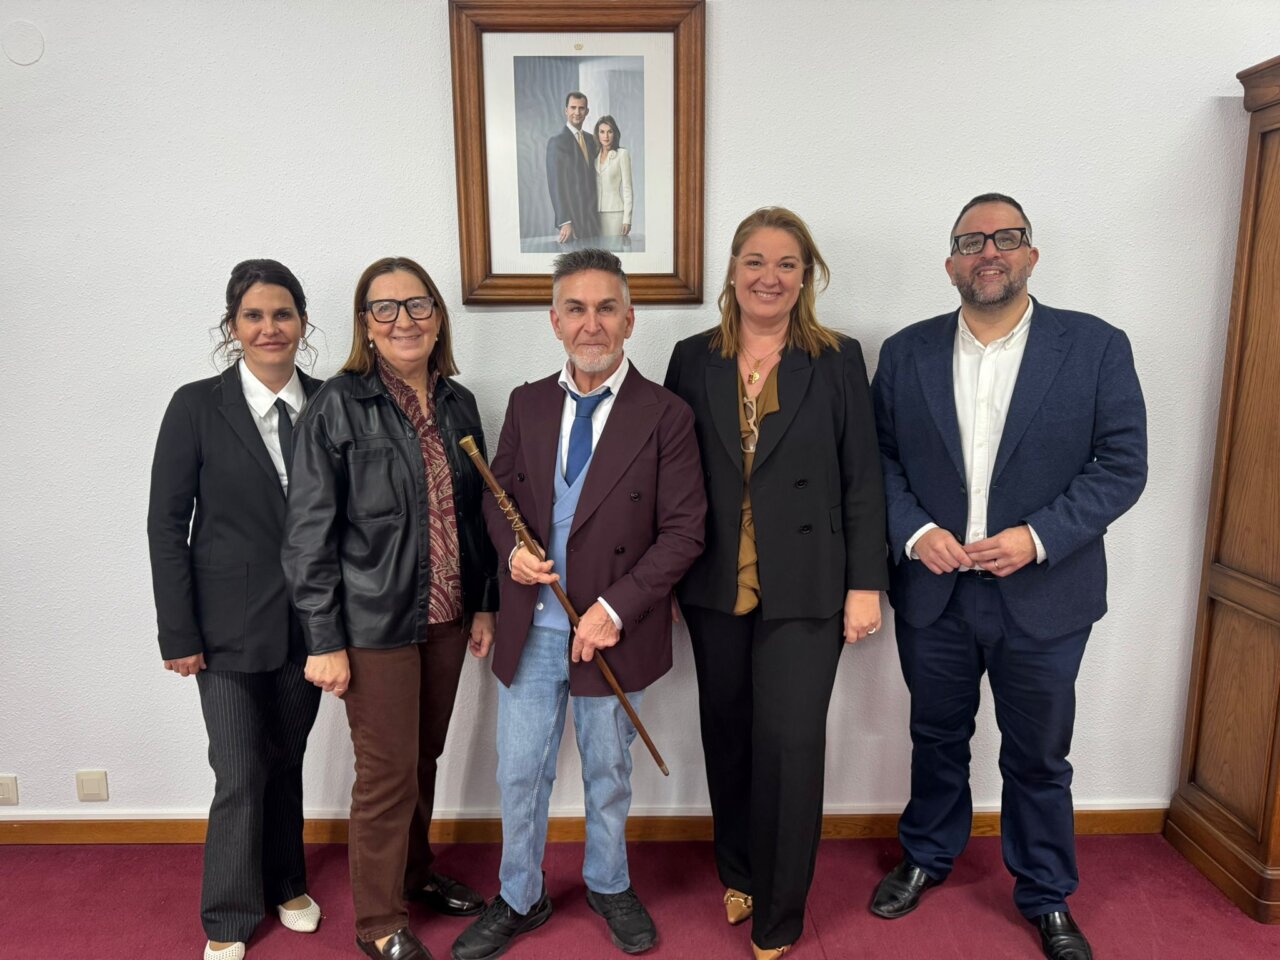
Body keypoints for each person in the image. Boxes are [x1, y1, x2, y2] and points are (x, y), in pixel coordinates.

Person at [870, 194, 1147, 960]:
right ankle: (927, 853)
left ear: (1031, 254)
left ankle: (1047, 894)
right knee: (935, 736)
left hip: (1047, 597)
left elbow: (1123, 467)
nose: (988, 251)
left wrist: (1039, 536)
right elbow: (878, 462)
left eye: (1006, 238)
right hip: (938, 593)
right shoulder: (905, 353)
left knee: (1037, 755)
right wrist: (918, 533)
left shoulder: (1095, 347)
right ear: (951, 262)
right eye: (970, 241)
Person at [451, 249, 706, 960]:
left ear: (629, 318)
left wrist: (615, 610)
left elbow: (686, 530)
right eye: (576, 309)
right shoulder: (528, 403)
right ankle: (519, 896)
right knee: (519, 770)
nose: (590, 324)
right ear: (555, 319)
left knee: (608, 769)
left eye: (605, 309)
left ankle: (609, 882)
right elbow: (496, 498)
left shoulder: (667, 415)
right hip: (533, 629)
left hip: (613, 631)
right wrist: (512, 553)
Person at [663, 207, 888, 960]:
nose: (770, 276)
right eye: (755, 261)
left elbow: (863, 478)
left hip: (810, 586)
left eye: (787, 264)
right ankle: (739, 871)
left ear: (807, 276)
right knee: (727, 733)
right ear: (731, 271)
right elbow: (669, 476)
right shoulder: (691, 358)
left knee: (790, 743)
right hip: (714, 585)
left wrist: (866, 584)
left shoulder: (838, 358)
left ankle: (780, 915)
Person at [282, 257, 499, 960]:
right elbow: (308, 534)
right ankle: (378, 922)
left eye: (417, 305)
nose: (404, 321)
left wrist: (486, 604)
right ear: (365, 326)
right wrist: (323, 638)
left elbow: (479, 517)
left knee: (423, 757)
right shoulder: (337, 406)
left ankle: (415, 874)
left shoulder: (459, 403)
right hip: (372, 625)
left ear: (437, 317)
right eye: (386, 309)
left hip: (445, 615)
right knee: (384, 771)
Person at [147, 259, 324, 960]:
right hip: (222, 627)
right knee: (240, 766)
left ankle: (287, 882)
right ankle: (227, 911)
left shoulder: (330, 401)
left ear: (302, 323)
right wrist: (177, 630)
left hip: (311, 622)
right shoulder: (196, 405)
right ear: (233, 328)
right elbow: (167, 524)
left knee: (286, 757)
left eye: (282, 314)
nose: (269, 327)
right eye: (253, 316)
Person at [546, 91, 600, 243]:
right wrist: (565, 221)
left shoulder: (592, 140)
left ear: (587, 111)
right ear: (566, 110)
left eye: (581, 108)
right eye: (573, 108)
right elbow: (556, 185)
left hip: (594, 218)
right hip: (574, 220)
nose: (577, 112)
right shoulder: (556, 142)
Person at [593, 115, 633, 239]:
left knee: (613, 250)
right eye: (602, 132)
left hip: (615, 214)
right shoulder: (594, 156)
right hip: (595, 214)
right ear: (597, 134)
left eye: (610, 132)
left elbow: (627, 189)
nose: (606, 136)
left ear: (615, 134)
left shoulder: (622, 154)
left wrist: (627, 219)